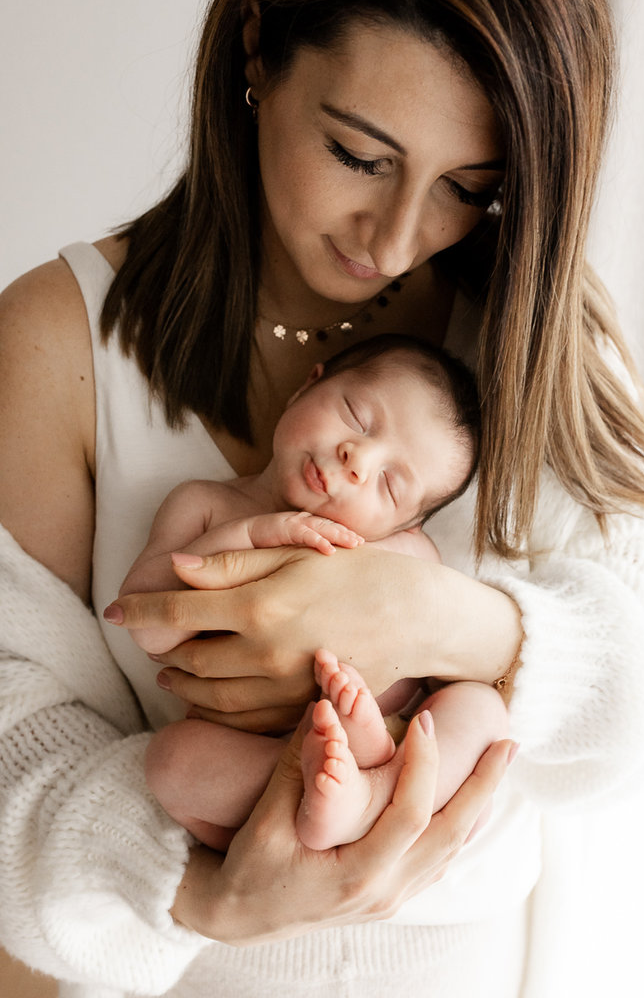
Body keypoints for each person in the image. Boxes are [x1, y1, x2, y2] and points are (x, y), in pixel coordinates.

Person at [0, 0, 644, 996]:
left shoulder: (532, 332)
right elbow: (12, 746)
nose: (398, 239)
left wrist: (440, 623)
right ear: (257, 50)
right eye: (360, 156)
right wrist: (205, 893)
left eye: (470, 185)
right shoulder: (58, 343)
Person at [121, 334, 509, 853]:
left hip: (395, 737)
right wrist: (253, 537)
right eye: (356, 416)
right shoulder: (206, 506)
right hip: (264, 753)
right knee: (169, 762)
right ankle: (327, 798)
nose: (359, 458)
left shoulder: (398, 550)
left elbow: (446, 648)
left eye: (390, 486)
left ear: (409, 523)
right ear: (306, 386)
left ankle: (369, 801)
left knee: (482, 710)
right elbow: (145, 622)